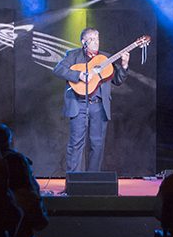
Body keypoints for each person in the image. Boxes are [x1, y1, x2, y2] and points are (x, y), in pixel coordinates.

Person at [52, 28, 129, 172]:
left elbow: (118, 80)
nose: (96, 42)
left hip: (99, 106)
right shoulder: (73, 55)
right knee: (76, 144)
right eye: (92, 39)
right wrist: (78, 75)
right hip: (78, 104)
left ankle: (92, 181)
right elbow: (58, 69)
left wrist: (124, 65)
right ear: (83, 42)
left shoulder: (106, 58)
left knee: (97, 144)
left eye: (97, 38)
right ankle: (74, 181)